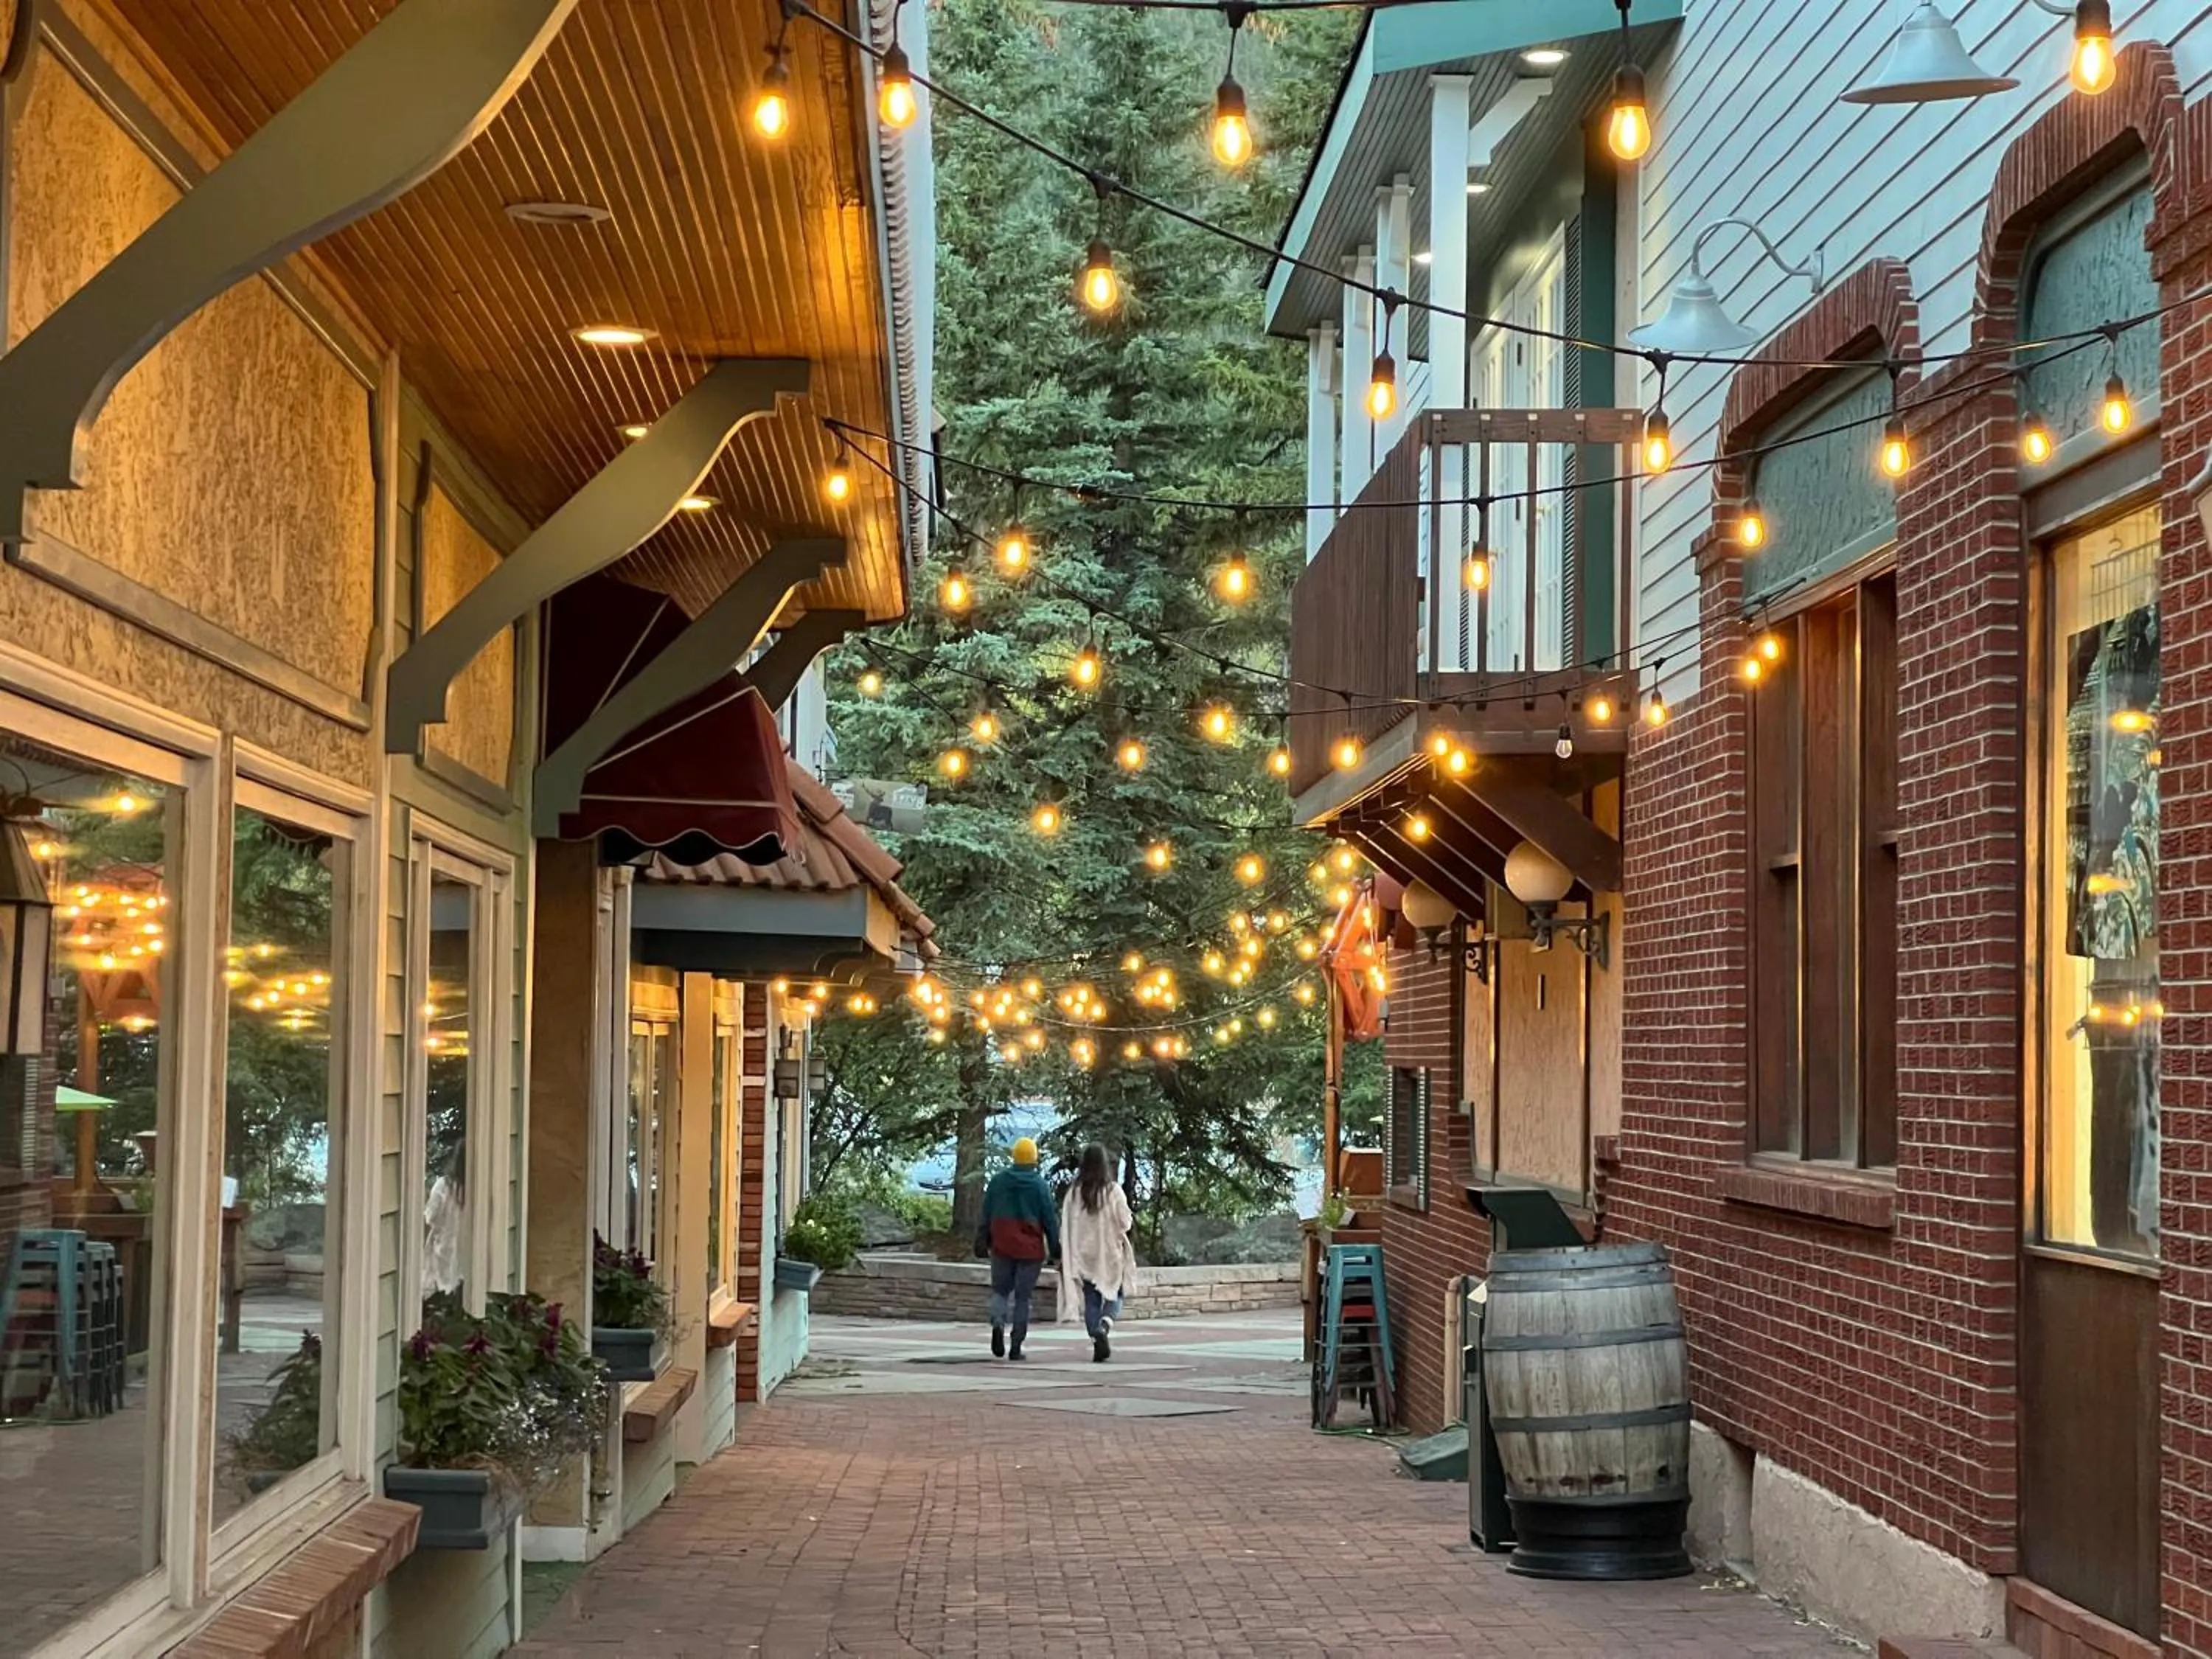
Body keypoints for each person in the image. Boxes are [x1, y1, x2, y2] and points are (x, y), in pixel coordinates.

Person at [975, 1137, 1059, 1360]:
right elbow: (1050, 1220)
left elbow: (986, 1214)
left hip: (1002, 1246)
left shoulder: (998, 1182)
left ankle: (998, 1323)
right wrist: (1056, 1249)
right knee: (1023, 1298)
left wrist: (981, 1240)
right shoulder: (1039, 1185)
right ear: (1034, 1158)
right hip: (1030, 1251)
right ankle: (1016, 1346)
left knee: (1000, 1291)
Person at [1058, 1144, 1137, 1362]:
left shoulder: (1074, 1193)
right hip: (1109, 1253)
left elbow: (1065, 1225)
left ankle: (1095, 1339)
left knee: (1091, 1300)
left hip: (1083, 1255)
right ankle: (1104, 1326)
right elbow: (1126, 1222)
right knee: (1116, 1294)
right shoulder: (1113, 1191)